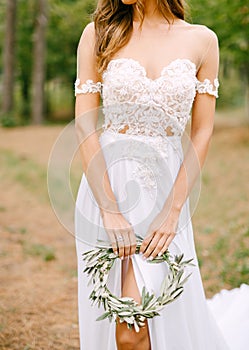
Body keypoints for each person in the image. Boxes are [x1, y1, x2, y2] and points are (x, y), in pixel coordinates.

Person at [74, 1, 249, 349]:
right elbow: (84, 127)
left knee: (140, 325)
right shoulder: (98, 33)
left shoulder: (203, 41)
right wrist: (109, 208)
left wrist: (172, 213)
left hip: (167, 192)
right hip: (108, 184)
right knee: (125, 329)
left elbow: (201, 133)